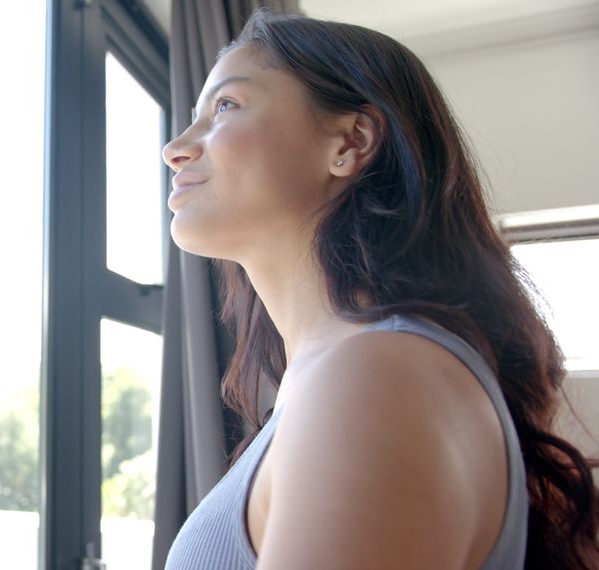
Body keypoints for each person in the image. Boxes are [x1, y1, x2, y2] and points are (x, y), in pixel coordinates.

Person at [161, 9, 598, 570]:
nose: (175, 148)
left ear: (349, 141)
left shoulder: (377, 373)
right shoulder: (349, 373)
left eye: (225, 105)